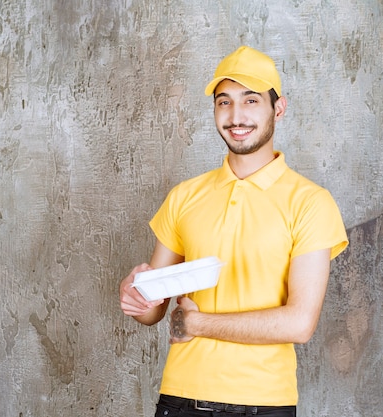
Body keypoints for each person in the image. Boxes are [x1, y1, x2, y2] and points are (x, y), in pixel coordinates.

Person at [119, 45, 348, 416]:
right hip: (180, 400)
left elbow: (300, 323)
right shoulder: (185, 196)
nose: (236, 116)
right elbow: (154, 308)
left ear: (279, 109)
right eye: (224, 102)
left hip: (263, 404)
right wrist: (136, 294)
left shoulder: (310, 202)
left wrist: (197, 323)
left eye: (251, 100)